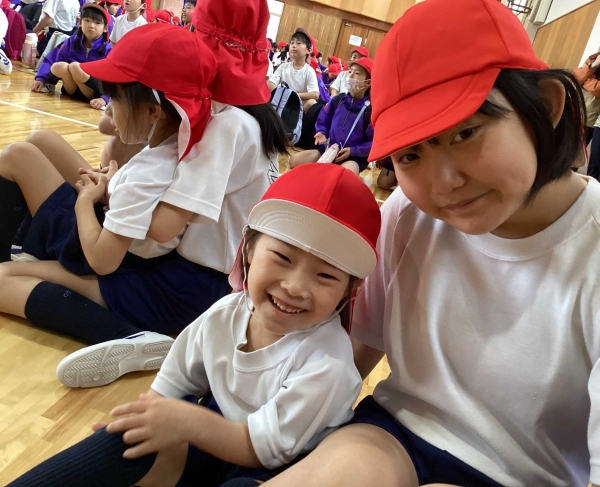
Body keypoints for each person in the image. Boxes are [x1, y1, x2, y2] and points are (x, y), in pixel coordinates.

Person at [259, 0, 600, 486]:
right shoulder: (407, 213)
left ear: (545, 108)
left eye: (466, 132)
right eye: (410, 155)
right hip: (394, 433)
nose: (443, 184)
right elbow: (359, 347)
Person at [6, 164, 381, 487]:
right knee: (128, 438)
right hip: (207, 446)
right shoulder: (226, 313)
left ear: (351, 290)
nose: (296, 286)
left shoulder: (329, 364)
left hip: (271, 471)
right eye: (283, 257)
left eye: (325, 276)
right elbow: (172, 384)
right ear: (249, 248)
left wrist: (187, 421)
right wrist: (144, 422)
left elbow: (264, 451)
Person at [0, 0, 288, 387]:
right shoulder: (248, 117)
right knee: (39, 144)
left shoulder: (228, 124)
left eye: (196, 34)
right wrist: (117, 186)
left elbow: (162, 226)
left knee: (10, 265)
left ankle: (125, 335)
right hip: (180, 268)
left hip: (183, 283)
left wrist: (110, 196)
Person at [290, 57, 373, 175]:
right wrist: (321, 132)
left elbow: (373, 142)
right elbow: (323, 119)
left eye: (357, 73)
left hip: (353, 157)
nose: (350, 76)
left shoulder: (370, 111)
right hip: (330, 149)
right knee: (294, 161)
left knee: (342, 177)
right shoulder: (338, 100)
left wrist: (353, 151)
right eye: (350, 71)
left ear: (368, 82)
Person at [31, 3, 111, 110]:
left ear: (105, 28)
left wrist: (105, 98)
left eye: (97, 23)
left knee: (75, 66)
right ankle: (49, 85)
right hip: (70, 90)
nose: (91, 25)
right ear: (80, 22)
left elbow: (113, 79)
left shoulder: (108, 50)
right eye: (87, 20)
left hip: (94, 94)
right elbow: (51, 59)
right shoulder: (71, 42)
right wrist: (41, 79)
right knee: (59, 66)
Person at [268, 29, 318, 112]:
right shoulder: (283, 67)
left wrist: (292, 95)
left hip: (297, 107)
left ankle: (298, 120)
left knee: (312, 102)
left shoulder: (309, 71)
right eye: (292, 43)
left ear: (309, 50)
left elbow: (315, 94)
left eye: (298, 43)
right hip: (281, 102)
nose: (294, 46)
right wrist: (283, 95)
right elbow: (271, 83)